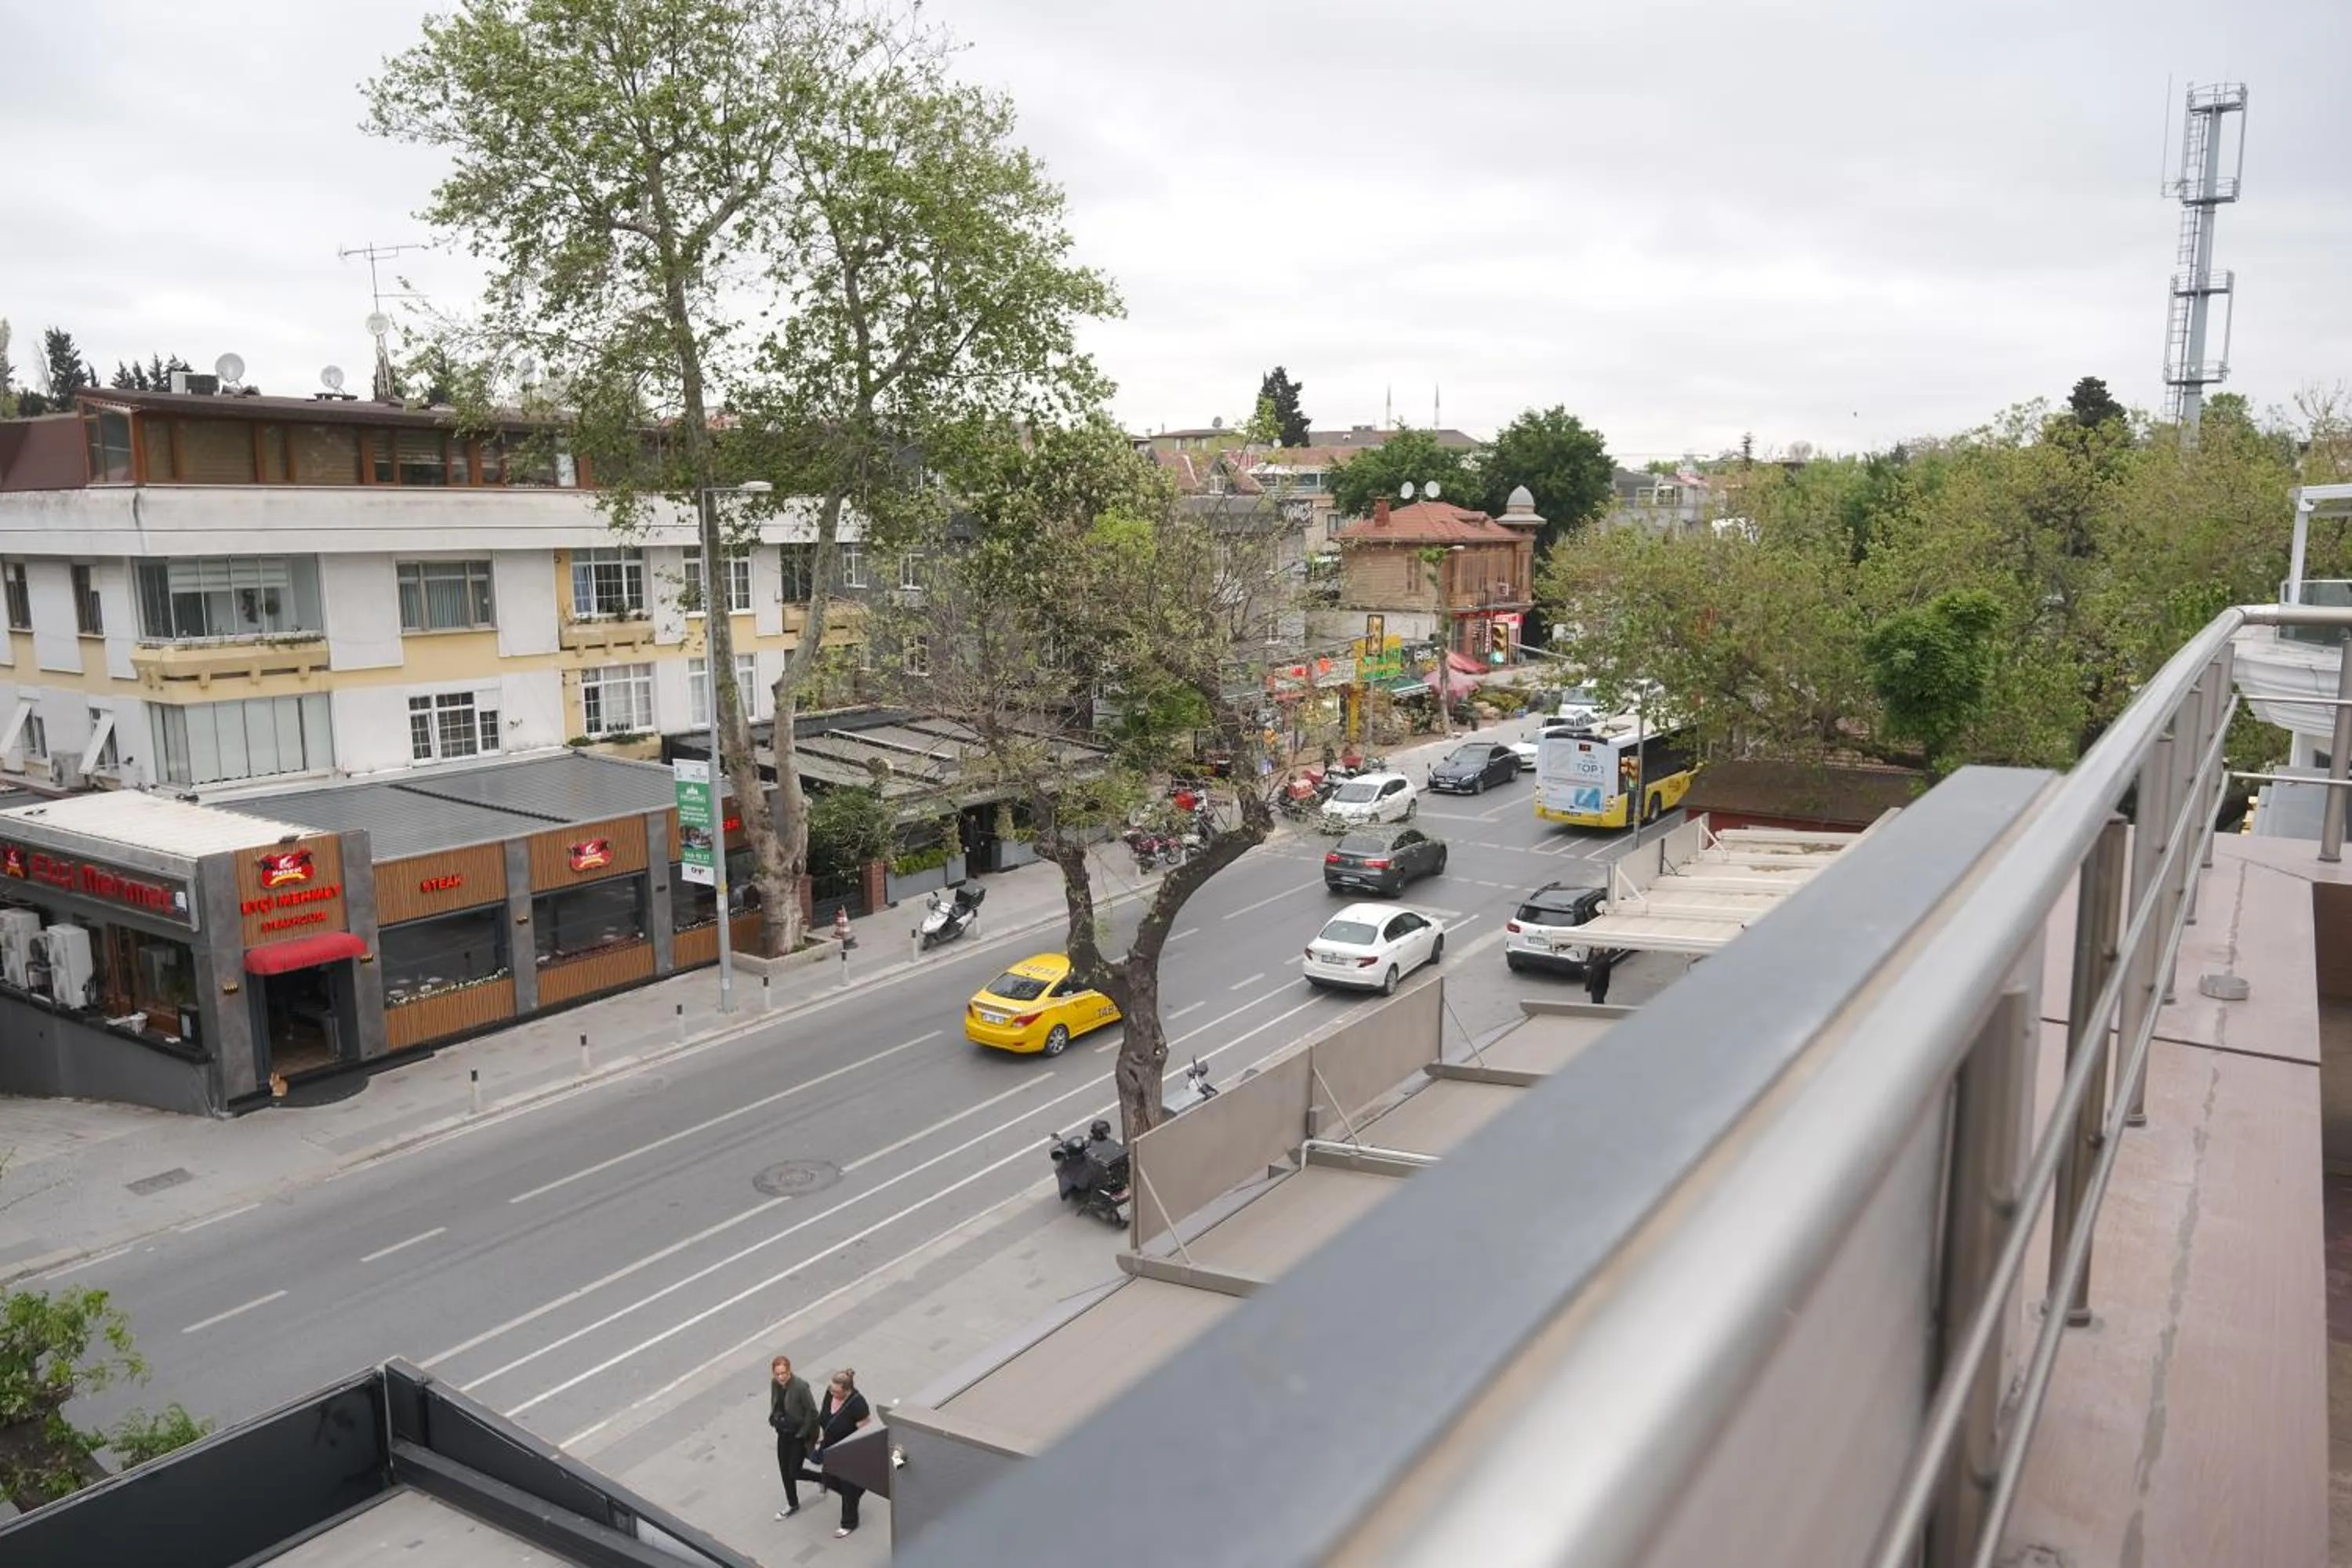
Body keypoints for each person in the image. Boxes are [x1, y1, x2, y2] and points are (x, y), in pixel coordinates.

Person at [797, 1367, 873, 1538]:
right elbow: (825, 1418)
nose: (832, 1393)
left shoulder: (858, 1404)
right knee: (828, 1480)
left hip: (849, 1451)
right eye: (831, 1389)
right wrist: (821, 1437)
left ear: (847, 1390)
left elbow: (865, 1431)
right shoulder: (830, 1393)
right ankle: (857, 1490)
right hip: (830, 1448)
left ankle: (849, 1523)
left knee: (848, 1487)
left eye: (836, 1391)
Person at [768, 1355, 819, 1520]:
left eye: (784, 1373)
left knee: (794, 1471)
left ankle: (822, 1478)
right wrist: (775, 1418)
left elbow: (812, 1412)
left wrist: (802, 1433)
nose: (781, 1377)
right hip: (784, 1432)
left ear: (790, 1371)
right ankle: (792, 1504)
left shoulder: (801, 1387)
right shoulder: (775, 1384)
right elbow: (776, 1403)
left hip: (799, 1434)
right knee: (784, 1470)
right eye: (778, 1374)